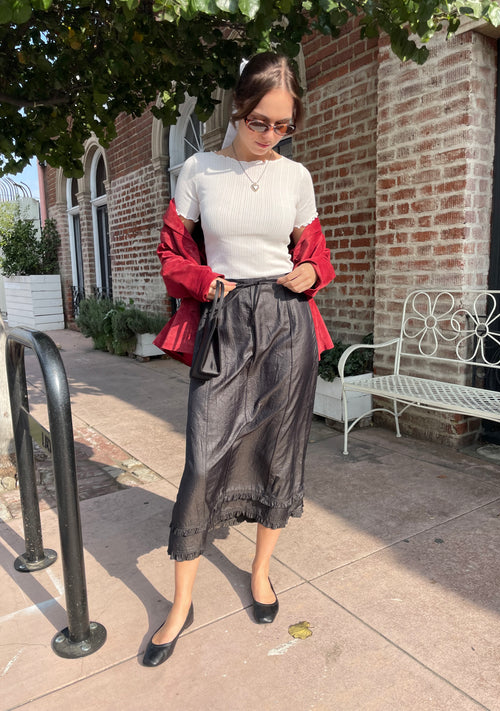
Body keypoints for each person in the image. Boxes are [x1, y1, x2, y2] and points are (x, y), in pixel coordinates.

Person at [143, 52, 335, 667]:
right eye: (261, 123)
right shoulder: (199, 171)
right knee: (204, 456)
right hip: (226, 318)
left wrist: (309, 271)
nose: (272, 136)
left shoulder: (296, 177)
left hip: (286, 321)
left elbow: (318, 257)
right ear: (238, 111)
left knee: (279, 452)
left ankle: (259, 573)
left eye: (284, 125)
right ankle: (180, 605)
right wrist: (211, 286)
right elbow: (172, 256)